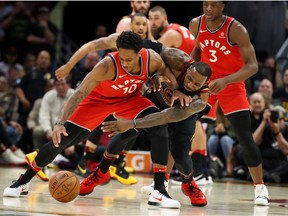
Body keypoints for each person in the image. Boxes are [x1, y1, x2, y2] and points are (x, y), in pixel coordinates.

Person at [3, 31, 183, 209]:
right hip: (98, 100)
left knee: (159, 124)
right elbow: (80, 93)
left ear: (139, 53)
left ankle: (159, 190)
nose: (125, 63)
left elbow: (165, 70)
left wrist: (172, 87)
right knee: (61, 140)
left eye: (129, 59)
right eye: (122, 58)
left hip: (129, 99)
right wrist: (59, 123)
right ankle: (23, 181)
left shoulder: (152, 59)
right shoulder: (106, 66)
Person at [188, 0, 269, 206]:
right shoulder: (196, 24)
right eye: (205, 4)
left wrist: (226, 80)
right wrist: (187, 77)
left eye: (213, 5)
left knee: (244, 137)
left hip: (230, 84)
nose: (208, 9)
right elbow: (197, 50)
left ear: (223, 6)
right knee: (181, 127)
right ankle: (162, 182)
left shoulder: (236, 29)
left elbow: (252, 67)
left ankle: (260, 187)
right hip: (206, 83)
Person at [147, 5, 210, 187]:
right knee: (188, 129)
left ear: (165, 17)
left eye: (156, 18)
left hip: (198, 81)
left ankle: (197, 172)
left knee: (190, 124)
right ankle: (195, 172)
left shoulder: (171, 34)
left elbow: (154, 50)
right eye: (150, 18)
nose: (152, 22)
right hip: (198, 77)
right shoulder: (179, 29)